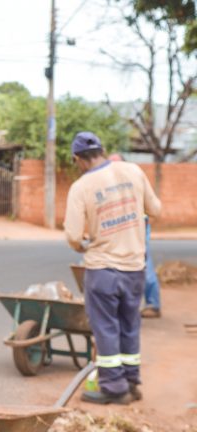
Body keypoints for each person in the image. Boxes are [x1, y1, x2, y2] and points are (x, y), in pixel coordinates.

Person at [64, 132, 161, 405]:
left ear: (78, 160)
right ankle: (132, 381)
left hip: (102, 269)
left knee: (106, 328)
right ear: (103, 150)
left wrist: (84, 244)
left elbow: (73, 235)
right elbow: (156, 209)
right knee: (130, 326)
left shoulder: (81, 187)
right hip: (134, 268)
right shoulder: (133, 171)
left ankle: (114, 388)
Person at [107, 154, 161, 318]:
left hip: (137, 227)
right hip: (117, 230)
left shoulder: (135, 181)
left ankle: (153, 303)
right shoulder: (106, 185)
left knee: (143, 263)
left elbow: (153, 208)